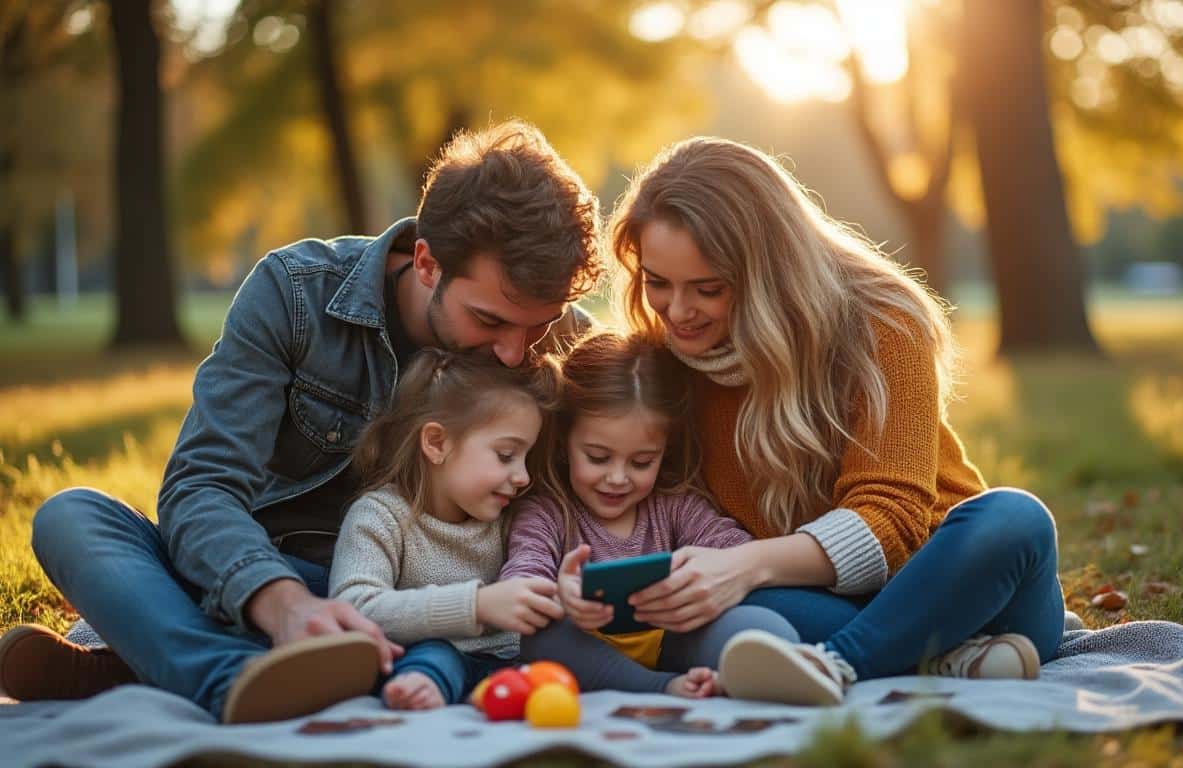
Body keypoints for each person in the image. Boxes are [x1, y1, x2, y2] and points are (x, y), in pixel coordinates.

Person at [0, 121, 602, 723]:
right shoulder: (295, 294)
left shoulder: (560, 338)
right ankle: (236, 675)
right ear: (426, 261)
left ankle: (165, 669)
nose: (516, 352)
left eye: (540, 325)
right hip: (268, 578)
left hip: (424, 606)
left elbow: (637, 442)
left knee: (436, 649)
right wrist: (281, 604)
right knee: (72, 517)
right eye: (490, 321)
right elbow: (202, 488)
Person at [607, 137, 1066, 706]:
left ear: (769, 271)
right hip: (822, 603)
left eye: (708, 289)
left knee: (1014, 517)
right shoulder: (663, 364)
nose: (677, 312)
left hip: (971, 597)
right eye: (658, 283)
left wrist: (744, 565)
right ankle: (944, 661)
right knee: (724, 616)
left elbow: (892, 520)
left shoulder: (882, 324)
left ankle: (837, 664)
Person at [498, 332, 798, 698]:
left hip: (673, 638)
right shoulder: (547, 512)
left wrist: (710, 572)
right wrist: (562, 597)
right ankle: (663, 687)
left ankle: (738, 675)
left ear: (663, 451)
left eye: (642, 462)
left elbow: (736, 550)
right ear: (564, 444)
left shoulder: (674, 504)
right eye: (597, 457)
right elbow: (519, 580)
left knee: (766, 627)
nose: (618, 478)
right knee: (541, 640)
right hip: (583, 647)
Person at [329, 349, 564, 710]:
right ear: (437, 443)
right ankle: (420, 691)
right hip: (434, 657)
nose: (523, 477)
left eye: (526, 458)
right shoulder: (379, 516)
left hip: (513, 661)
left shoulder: (512, 519)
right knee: (434, 656)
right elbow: (354, 607)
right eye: (505, 455)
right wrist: (477, 606)